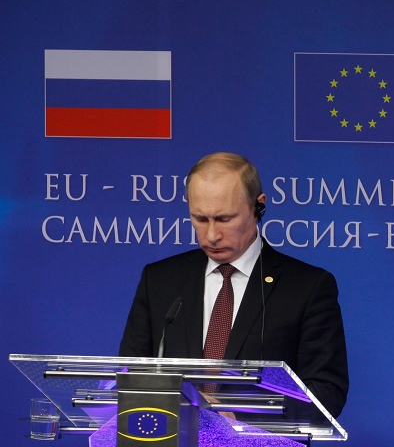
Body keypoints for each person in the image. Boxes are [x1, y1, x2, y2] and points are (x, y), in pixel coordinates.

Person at [119, 152, 349, 416]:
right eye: (200, 219)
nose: (212, 235)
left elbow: (326, 392)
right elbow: (131, 375)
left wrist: (240, 415)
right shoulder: (160, 281)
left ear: (258, 207)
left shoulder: (307, 287)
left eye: (225, 219)